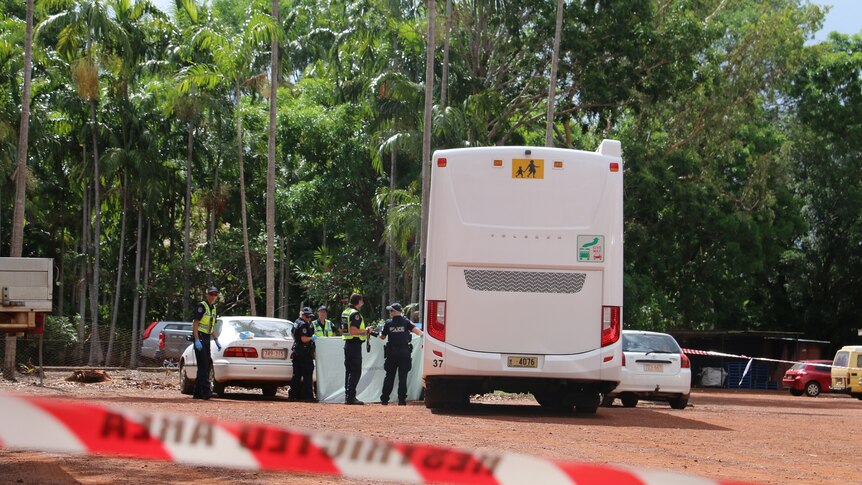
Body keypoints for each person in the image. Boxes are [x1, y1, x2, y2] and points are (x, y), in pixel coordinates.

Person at [379, 303, 423, 405]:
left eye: (391, 310)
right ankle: (401, 400)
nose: (389, 312)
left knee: (389, 376)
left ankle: (384, 399)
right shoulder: (406, 322)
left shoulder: (388, 323)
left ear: (394, 312)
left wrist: (375, 333)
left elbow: (382, 337)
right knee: (403, 377)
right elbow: (418, 332)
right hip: (404, 353)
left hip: (392, 353)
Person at [341, 293, 371, 405]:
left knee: (349, 371)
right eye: (362, 301)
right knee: (355, 372)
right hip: (354, 345)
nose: (362, 303)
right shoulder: (355, 314)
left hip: (348, 344)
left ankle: (348, 397)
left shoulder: (346, 312)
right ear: (358, 301)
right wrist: (366, 330)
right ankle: (351, 398)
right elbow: (353, 330)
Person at [192, 286, 221, 400]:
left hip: (207, 337)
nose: (213, 297)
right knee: (204, 365)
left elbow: (211, 326)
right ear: (207, 295)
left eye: (215, 295)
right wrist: (196, 339)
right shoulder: (201, 306)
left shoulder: (213, 308)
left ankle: (198, 392)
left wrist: (216, 339)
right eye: (211, 294)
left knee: (205, 364)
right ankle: (205, 391)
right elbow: (195, 323)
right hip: (200, 337)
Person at [289, 306, 317, 402]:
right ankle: (308, 397)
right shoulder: (303, 325)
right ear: (303, 315)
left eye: (310, 317)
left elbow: (292, 334)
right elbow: (303, 339)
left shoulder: (296, 322)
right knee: (308, 375)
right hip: (304, 353)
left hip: (297, 351)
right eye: (308, 317)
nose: (309, 319)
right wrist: (311, 338)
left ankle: (292, 396)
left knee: (296, 376)